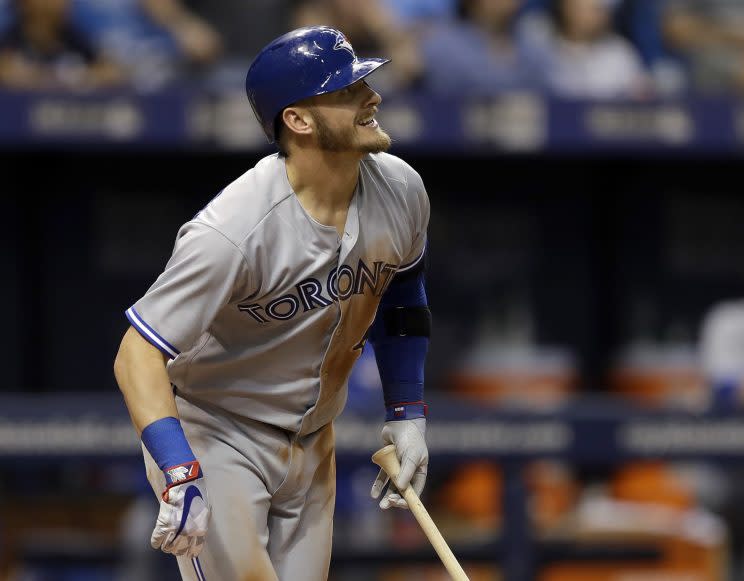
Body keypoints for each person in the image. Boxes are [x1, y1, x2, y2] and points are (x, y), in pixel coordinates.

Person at [113, 25, 432, 581]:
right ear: (298, 120)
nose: (371, 96)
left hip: (313, 442)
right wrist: (178, 470)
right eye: (346, 91)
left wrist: (406, 414)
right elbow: (136, 353)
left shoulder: (401, 190)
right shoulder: (234, 230)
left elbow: (403, 297)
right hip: (218, 431)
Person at [0, 0, 125, 90]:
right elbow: (6, 72)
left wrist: (76, 77)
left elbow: (112, 71)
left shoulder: (73, 36)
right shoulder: (11, 38)